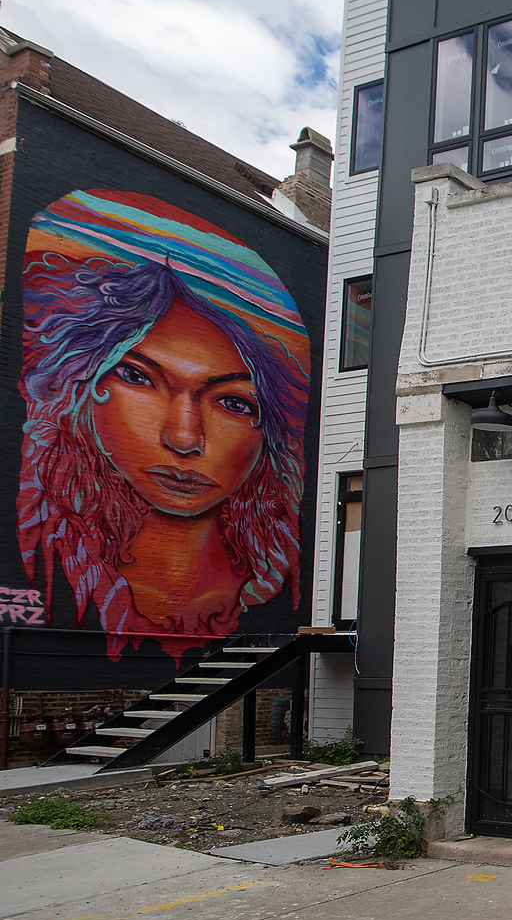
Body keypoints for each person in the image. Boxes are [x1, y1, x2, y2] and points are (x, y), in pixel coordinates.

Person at [17, 189, 309, 660]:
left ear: (270, 433)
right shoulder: (50, 564)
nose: (183, 438)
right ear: (77, 388)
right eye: (138, 377)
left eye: (232, 403)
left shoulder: (282, 583)